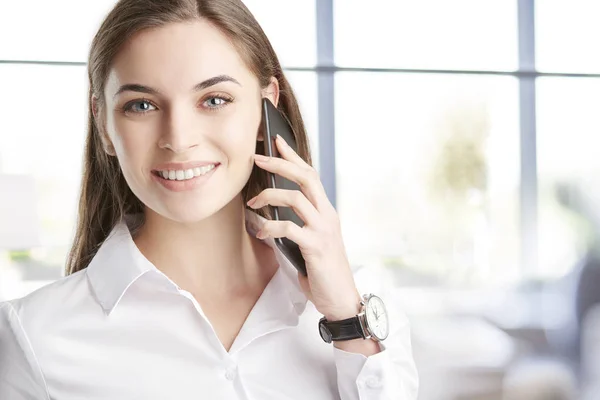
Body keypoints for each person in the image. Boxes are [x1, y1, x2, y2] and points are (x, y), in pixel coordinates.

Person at [0, 0, 418, 398]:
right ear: (104, 125)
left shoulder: (359, 303)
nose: (179, 140)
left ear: (265, 107)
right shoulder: (34, 335)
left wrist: (346, 321)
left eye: (214, 100)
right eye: (141, 105)